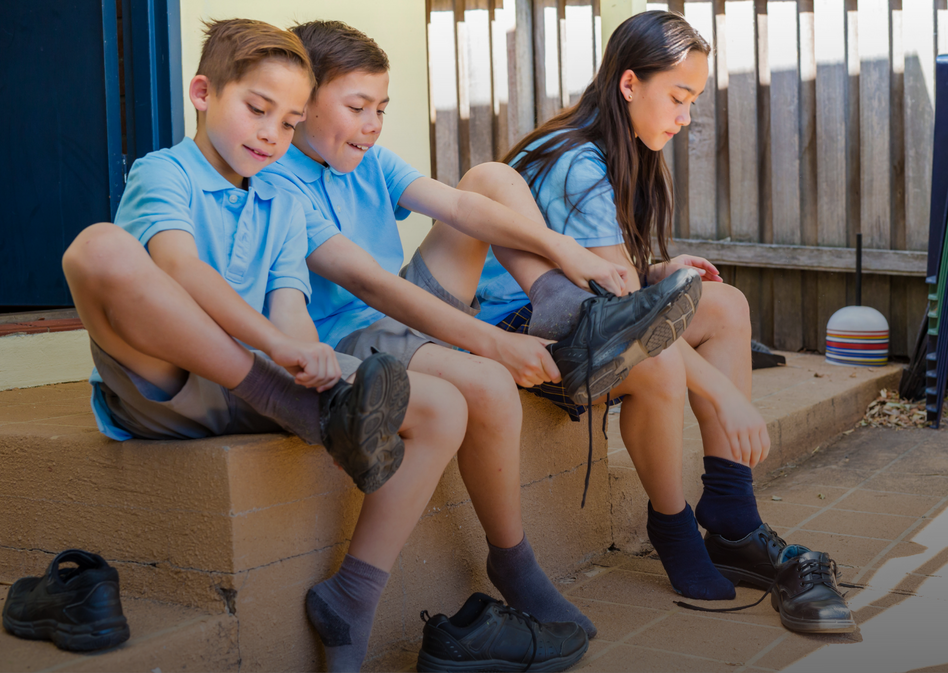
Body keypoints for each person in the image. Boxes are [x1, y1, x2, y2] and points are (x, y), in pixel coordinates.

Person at [259, 19, 702, 666]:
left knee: (490, 178)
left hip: (398, 314)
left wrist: (562, 250)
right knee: (490, 385)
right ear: (303, 103)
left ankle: (563, 306)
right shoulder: (279, 181)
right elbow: (371, 286)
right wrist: (490, 342)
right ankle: (509, 560)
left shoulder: (368, 160)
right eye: (357, 108)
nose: (373, 125)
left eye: (381, 108)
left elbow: (461, 209)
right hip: (349, 336)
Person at [62, 19, 469, 672]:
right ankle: (295, 405)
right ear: (203, 93)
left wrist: (313, 359)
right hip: (170, 384)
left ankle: (353, 596)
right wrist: (277, 351)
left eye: (289, 122)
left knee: (445, 407)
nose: (272, 134)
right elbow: (180, 270)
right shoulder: (164, 172)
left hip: (268, 383)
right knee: (98, 248)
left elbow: (289, 302)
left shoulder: (283, 198)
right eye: (257, 109)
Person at [476, 10, 819, 604]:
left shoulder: (620, 149)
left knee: (726, 305)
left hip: (581, 315)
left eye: (693, 102)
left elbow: (611, 280)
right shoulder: (577, 160)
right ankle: (673, 525)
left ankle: (733, 513)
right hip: (523, 325)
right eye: (678, 98)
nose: (686, 117)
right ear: (629, 83)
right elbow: (628, 314)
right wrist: (727, 396)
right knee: (656, 358)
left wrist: (655, 269)